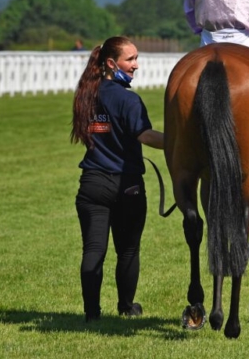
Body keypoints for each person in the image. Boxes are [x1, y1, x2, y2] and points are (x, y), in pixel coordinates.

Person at [70, 36, 164, 322]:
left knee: (93, 249)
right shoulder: (129, 99)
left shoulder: (86, 93)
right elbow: (145, 136)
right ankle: (126, 306)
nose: (136, 65)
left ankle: (91, 313)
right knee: (128, 250)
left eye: (136, 58)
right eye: (130, 59)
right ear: (112, 63)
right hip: (127, 185)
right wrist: (182, 143)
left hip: (92, 183)